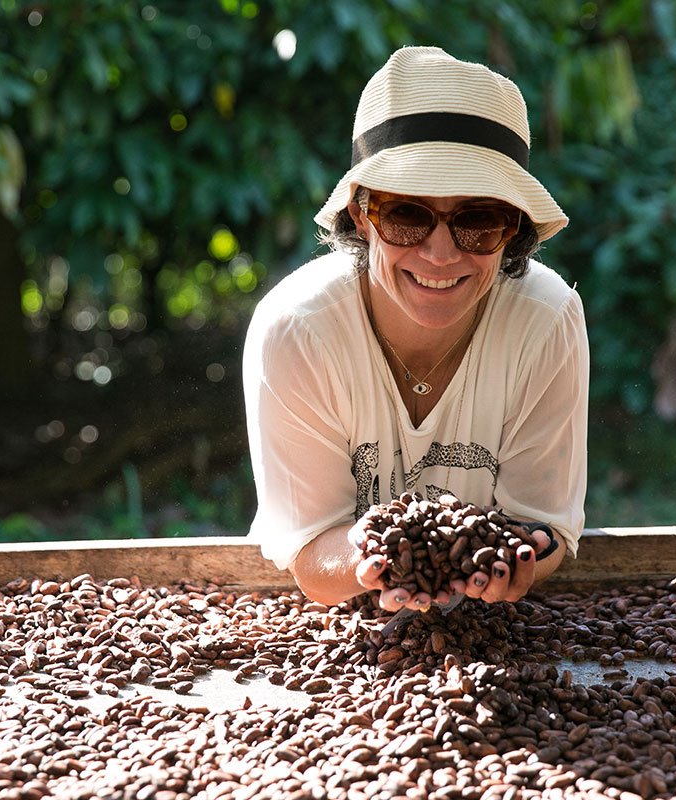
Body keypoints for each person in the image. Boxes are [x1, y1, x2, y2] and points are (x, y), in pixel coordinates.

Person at [242, 46, 588, 614]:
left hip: (500, 635)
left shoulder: (545, 322)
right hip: (359, 645)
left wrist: (517, 559)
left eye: (477, 220)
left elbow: (542, 526)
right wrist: (369, 561)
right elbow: (312, 555)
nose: (440, 252)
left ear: (514, 226)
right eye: (407, 214)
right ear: (361, 215)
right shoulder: (298, 332)